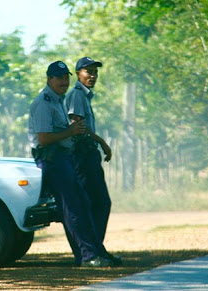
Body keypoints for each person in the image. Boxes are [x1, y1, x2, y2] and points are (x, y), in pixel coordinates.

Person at [28, 60, 115, 267]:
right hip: (52, 158)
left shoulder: (57, 99)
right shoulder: (44, 102)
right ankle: (88, 256)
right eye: (59, 78)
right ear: (49, 79)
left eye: (65, 78)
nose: (64, 82)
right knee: (73, 207)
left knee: (82, 204)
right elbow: (43, 139)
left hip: (63, 156)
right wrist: (71, 132)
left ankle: (92, 252)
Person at [66, 56, 122, 265]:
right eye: (88, 72)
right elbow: (78, 126)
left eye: (95, 72)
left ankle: (97, 249)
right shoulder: (77, 95)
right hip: (81, 154)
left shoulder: (85, 97)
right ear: (78, 74)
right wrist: (103, 143)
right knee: (94, 203)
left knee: (98, 203)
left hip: (88, 153)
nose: (93, 76)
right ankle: (91, 251)